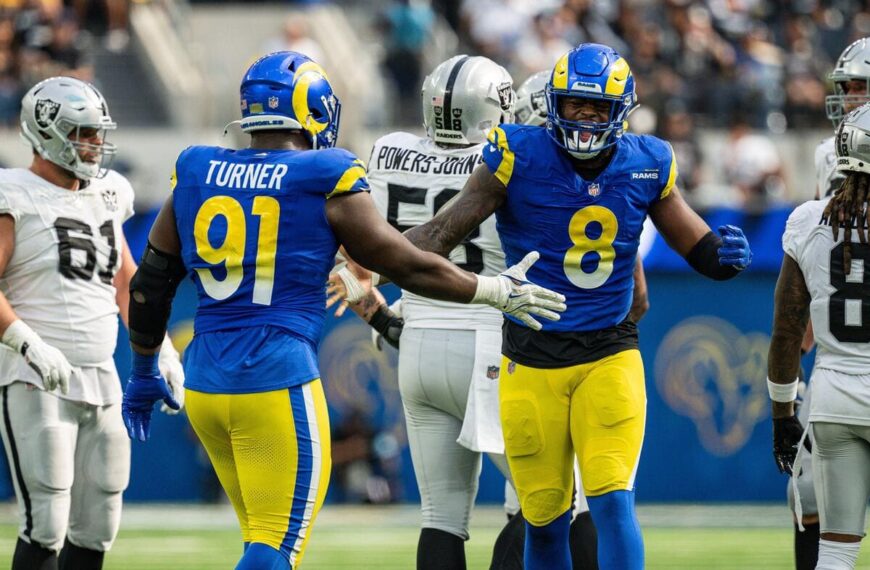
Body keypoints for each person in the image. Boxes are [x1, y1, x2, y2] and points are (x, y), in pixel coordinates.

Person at [118, 51, 565, 570]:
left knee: (261, 537)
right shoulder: (326, 171)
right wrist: (494, 291)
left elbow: (151, 282)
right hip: (277, 378)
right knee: (275, 546)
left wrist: (145, 367)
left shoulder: (195, 166)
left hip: (204, 384)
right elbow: (407, 264)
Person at [397, 43, 752, 570]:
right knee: (543, 519)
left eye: (596, 108)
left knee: (611, 500)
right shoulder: (516, 151)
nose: (584, 118)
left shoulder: (648, 162)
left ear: (621, 112)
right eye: (573, 105)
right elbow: (445, 230)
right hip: (529, 357)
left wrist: (721, 255)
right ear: (554, 104)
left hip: (607, 354)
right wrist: (376, 255)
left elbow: (694, 243)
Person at [0, 76, 184, 570]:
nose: (95, 144)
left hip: (102, 374)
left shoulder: (108, 192)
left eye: (97, 133)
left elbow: (124, 281)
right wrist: (25, 342)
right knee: (46, 525)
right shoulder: (13, 193)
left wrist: (161, 347)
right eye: (82, 133)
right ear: (46, 131)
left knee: (98, 526)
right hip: (35, 377)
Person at [768, 102, 870, 570]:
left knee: (836, 547)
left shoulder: (809, 220)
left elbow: (788, 329)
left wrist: (782, 412)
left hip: (832, 399)